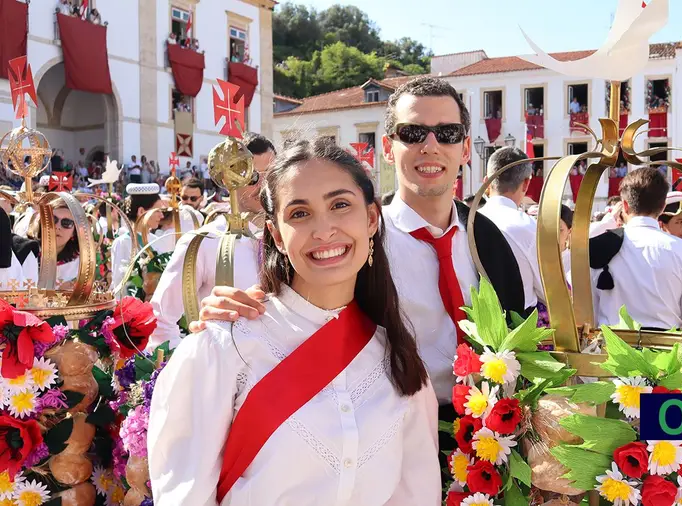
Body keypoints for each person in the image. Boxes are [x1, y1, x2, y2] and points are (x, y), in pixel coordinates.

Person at [188, 77, 525, 450]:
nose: (430, 146)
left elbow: (520, 334)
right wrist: (235, 314)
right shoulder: (350, 240)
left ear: (464, 148)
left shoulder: (492, 239)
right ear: (387, 147)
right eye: (412, 132)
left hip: (488, 440)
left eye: (447, 133)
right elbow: (292, 311)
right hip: (382, 439)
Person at [148, 136, 440, 505]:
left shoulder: (398, 359)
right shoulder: (226, 347)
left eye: (340, 205)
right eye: (299, 213)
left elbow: (416, 494)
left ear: (370, 219)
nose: (323, 230)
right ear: (276, 235)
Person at [149, 133, 276, 348]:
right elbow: (160, 321)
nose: (264, 186)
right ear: (228, 178)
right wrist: (193, 368)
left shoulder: (290, 237)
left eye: (271, 175)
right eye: (253, 177)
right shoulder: (203, 242)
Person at [588, 167, 682, 329]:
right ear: (663, 207)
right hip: (667, 350)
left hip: (611, 349)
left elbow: (589, 314)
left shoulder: (597, 246)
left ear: (625, 206)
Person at [480, 147, 544, 311]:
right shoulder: (528, 226)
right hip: (519, 326)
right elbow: (547, 289)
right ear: (526, 184)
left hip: (472, 325)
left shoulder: (467, 222)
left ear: (486, 181)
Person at [109, 184, 166, 291]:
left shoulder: (157, 240)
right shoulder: (123, 242)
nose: (162, 216)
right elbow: (119, 284)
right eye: (157, 210)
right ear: (141, 212)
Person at [27, 200, 80, 289]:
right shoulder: (26, 253)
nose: (57, 226)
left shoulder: (82, 262)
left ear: (74, 232)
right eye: (53, 220)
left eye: (66, 223)